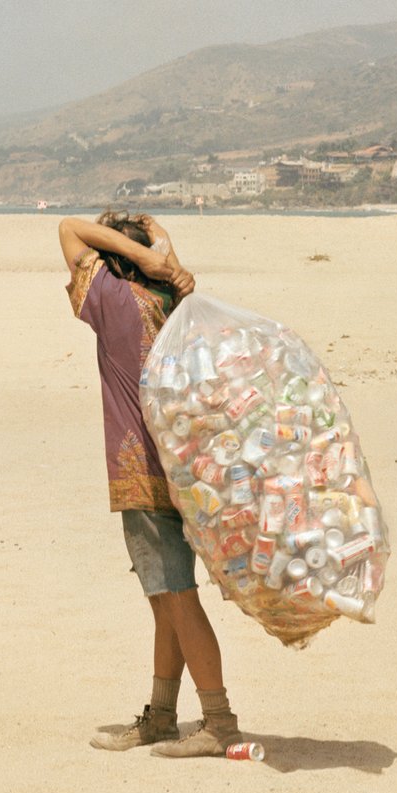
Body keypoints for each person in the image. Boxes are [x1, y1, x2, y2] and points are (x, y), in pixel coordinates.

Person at [59, 211, 243, 758]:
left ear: (114, 262)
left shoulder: (113, 302)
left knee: (177, 599)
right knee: (167, 597)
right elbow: (153, 242)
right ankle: (162, 716)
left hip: (140, 473)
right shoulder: (175, 306)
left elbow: (69, 228)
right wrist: (164, 255)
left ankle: (219, 722)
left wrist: (139, 252)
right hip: (188, 471)